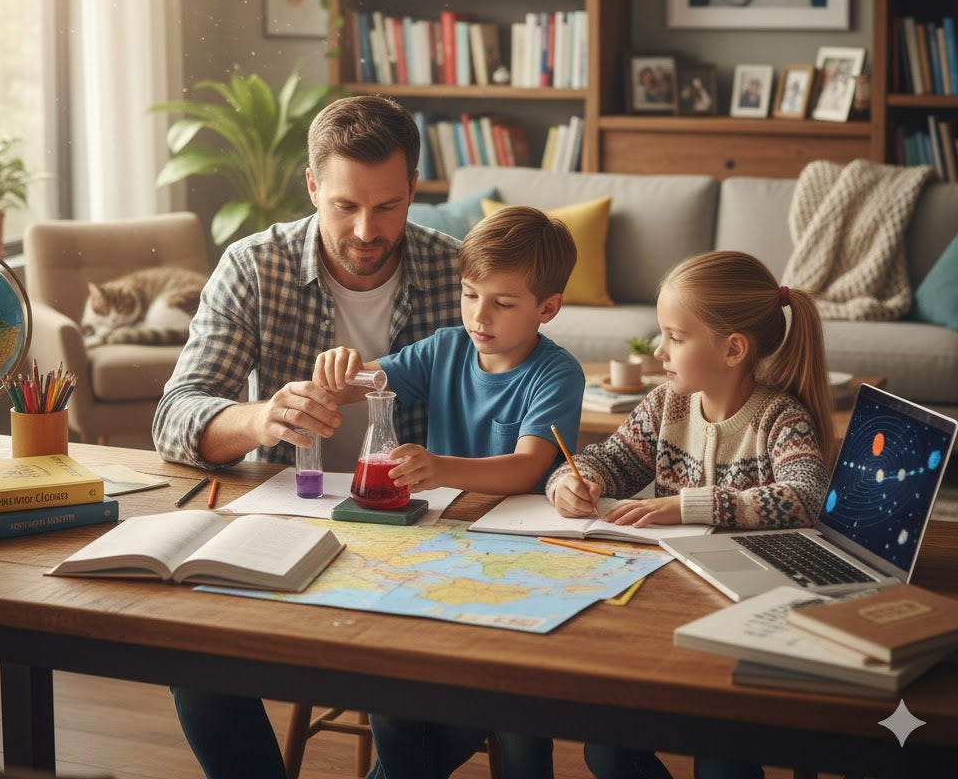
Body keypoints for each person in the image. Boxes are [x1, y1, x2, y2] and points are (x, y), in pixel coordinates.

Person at [152, 93, 464, 779]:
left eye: (387, 206)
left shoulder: (460, 273)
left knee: (417, 691)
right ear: (313, 185)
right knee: (195, 662)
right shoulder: (252, 267)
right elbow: (174, 415)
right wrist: (262, 417)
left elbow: (520, 400)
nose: (365, 230)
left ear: (415, 188)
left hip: (422, 533)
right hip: (293, 515)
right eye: (345, 205)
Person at [313, 204, 585, 779]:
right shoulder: (444, 349)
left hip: (524, 558)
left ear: (549, 308)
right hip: (439, 552)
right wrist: (341, 373)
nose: (478, 316)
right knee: (392, 692)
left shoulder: (556, 373)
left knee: (514, 714)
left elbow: (528, 468)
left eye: (502, 303)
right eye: (469, 295)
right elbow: (368, 380)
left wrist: (439, 469)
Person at [546, 250, 833, 779]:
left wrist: (686, 506)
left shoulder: (778, 418)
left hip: (745, 616)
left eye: (675, 337)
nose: (659, 351)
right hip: (666, 605)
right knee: (605, 752)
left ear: (733, 349)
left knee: (722, 762)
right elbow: (605, 460)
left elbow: (805, 495)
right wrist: (570, 482)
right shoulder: (665, 407)